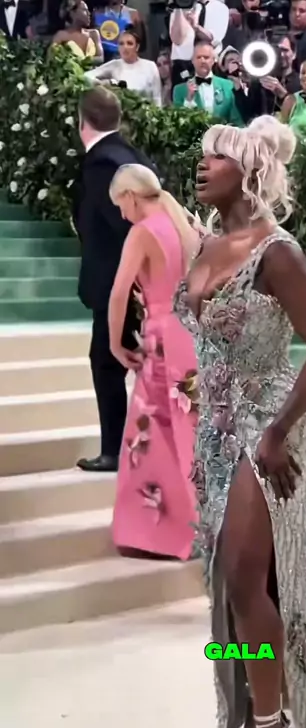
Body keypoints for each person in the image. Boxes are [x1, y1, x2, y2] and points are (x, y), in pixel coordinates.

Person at [173, 116, 306, 728]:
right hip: (216, 429)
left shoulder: (277, 252)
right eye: (200, 157)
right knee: (234, 584)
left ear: (245, 171)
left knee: (246, 578)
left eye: (214, 158)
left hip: (275, 424)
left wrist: (276, 432)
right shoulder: (208, 243)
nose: (201, 166)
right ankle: (253, 709)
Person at [108, 165, 200, 559]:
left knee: (150, 434)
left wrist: (115, 343)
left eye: (120, 204)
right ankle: (200, 523)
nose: (121, 213)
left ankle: (159, 532)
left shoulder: (143, 232)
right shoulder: (184, 223)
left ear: (130, 195)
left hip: (162, 340)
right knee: (190, 431)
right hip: (192, 337)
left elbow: (118, 294)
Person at [72, 86, 158, 473]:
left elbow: (127, 226)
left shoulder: (102, 163)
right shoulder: (131, 154)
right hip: (136, 280)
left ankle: (115, 451)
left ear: (82, 122)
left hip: (118, 282)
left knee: (107, 364)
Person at [85, 25, 162, 106]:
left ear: (137, 47)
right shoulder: (115, 65)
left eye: (129, 43)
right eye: (121, 44)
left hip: (146, 111)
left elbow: (157, 97)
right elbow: (87, 76)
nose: (125, 47)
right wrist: (104, 84)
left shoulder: (150, 66)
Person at [173, 40, 244, 125]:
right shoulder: (179, 90)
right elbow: (179, 124)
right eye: (199, 57)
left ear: (213, 60)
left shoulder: (228, 86)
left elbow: (236, 121)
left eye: (206, 57)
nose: (202, 61)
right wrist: (189, 99)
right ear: (192, 60)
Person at [169, 0, 229, 87]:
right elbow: (177, 40)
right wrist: (179, 9)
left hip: (208, 63)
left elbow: (213, 40)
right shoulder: (181, 4)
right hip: (183, 65)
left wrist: (196, 27)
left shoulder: (220, 8)